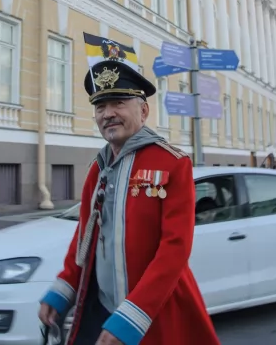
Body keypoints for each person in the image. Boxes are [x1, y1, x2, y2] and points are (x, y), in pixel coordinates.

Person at [38, 59, 221, 345]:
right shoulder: (97, 169)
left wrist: (132, 317)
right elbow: (85, 235)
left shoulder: (172, 164)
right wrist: (63, 289)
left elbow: (175, 249)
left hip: (152, 315)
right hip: (102, 310)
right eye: (100, 107)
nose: (108, 114)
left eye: (118, 103)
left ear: (144, 111)